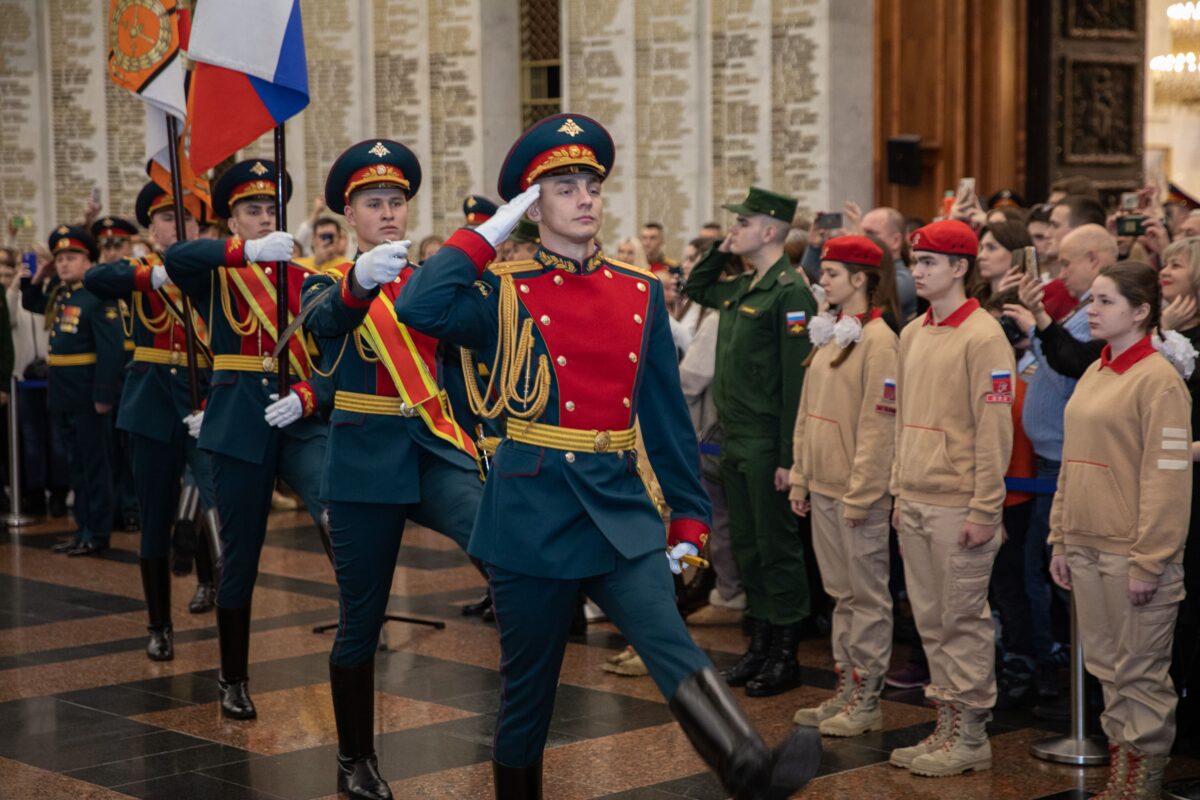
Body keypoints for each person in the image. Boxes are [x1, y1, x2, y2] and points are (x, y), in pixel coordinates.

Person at [394, 112, 820, 800]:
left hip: (618, 508)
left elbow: (665, 416)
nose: (586, 197)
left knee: (667, 639)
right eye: (564, 187)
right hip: (530, 511)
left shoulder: (638, 290)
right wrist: (489, 233)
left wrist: (687, 517)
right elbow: (419, 305)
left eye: (591, 183)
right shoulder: (503, 291)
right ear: (534, 206)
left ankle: (745, 764)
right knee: (528, 693)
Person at [301, 139, 490, 799]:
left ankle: (520, 715)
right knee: (362, 619)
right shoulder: (326, 278)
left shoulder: (425, 281)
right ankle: (354, 757)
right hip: (362, 464)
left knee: (503, 551)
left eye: (396, 202)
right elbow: (323, 324)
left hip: (435, 451)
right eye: (373, 203)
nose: (387, 213)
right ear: (350, 215)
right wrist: (358, 283)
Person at [164, 159, 328, 722]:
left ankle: (359, 637)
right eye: (251, 211)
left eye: (270, 210)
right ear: (231, 221)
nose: (263, 218)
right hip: (237, 422)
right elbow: (175, 259)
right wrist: (246, 254)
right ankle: (232, 677)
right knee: (242, 558)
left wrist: (308, 394)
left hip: (299, 421)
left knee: (339, 516)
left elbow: (328, 356)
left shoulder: (305, 279)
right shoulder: (220, 271)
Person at [1049, 261, 1192, 800]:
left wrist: (1150, 558)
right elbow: (1071, 462)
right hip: (1086, 545)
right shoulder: (1095, 371)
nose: (1092, 309)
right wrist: (1060, 537)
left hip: (1132, 552)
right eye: (1092, 300)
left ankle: (1144, 777)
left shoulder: (1159, 382)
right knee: (1110, 670)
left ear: (1140, 311)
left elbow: (1167, 481)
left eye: (1105, 301)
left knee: (1141, 672)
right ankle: (1122, 773)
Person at [888, 219, 1014, 777]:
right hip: (914, 495)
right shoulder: (913, 332)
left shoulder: (984, 335)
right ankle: (945, 724)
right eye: (915, 261)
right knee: (932, 620)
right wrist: (898, 486)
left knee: (963, 620)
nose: (917, 272)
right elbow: (902, 419)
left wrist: (985, 507)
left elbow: (994, 428)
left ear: (960, 268)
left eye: (929, 263)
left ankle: (970, 736)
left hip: (958, 502)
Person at [686, 187, 818, 697]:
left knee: (775, 547)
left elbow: (795, 385)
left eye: (743, 222)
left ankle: (785, 654)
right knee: (747, 545)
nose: (732, 228)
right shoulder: (744, 287)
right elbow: (699, 288)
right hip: (735, 441)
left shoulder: (790, 293)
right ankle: (758, 645)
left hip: (767, 442)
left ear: (770, 231)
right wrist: (719, 249)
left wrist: (790, 458)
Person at [83, 181, 218, 661]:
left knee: (210, 497)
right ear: (152, 228)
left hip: (205, 395)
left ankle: (212, 587)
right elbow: (96, 281)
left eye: (189, 219)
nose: (179, 226)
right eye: (167, 218)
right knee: (155, 516)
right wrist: (152, 279)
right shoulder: (140, 269)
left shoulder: (211, 272)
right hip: (153, 401)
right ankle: (159, 625)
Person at [789, 235, 900, 737]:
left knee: (866, 596)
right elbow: (808, 413)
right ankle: (846, 689)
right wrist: (801, 476)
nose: (822, 280)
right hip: (825, 485)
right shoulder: (831, 331)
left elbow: (880, 426)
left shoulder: (879, 341)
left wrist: (862, 492)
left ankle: (867, 695)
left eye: (832, 273)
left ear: (861, 279)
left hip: (858, 494)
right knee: (840, 595)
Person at [1003, 224, 1117, 704]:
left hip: (1064, 465)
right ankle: (1058, 668)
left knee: (1051, 575)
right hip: (1051, 462)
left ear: (1094, 259)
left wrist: (1038, 326)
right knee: (1041, 571)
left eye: (1067, 263)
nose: (1059, 271)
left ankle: (1071, 672)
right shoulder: (1076, 309)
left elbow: (1073, 365)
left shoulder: (1091, 316)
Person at [21, 226, 125, 555]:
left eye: (72, 257)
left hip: (87, 396)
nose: (64, 264)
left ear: (89, 261)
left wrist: (104, 395)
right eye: (60, 258)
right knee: (76, 467)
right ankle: (82, 529)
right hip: (64, 395)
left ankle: (98, 532)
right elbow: (32, 302)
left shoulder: (97, 296)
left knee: (95, 467)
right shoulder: (64, 295)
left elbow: (111, 350)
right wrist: (38, 276)